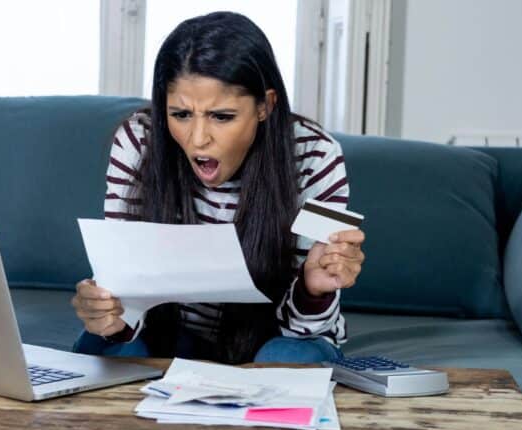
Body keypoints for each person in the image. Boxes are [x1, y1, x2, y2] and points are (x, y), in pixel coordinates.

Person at [71, 11, 365, 364]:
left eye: (221, 117)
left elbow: (306, 329)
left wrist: (313, 287)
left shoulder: (315, 156)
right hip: (171, 333)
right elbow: (127, 304)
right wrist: (109, 314)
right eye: (180, 114)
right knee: (105, 349)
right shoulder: (139, 142)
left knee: (284, 357)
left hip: (275, 335)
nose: (198, 140)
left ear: (265, 106)